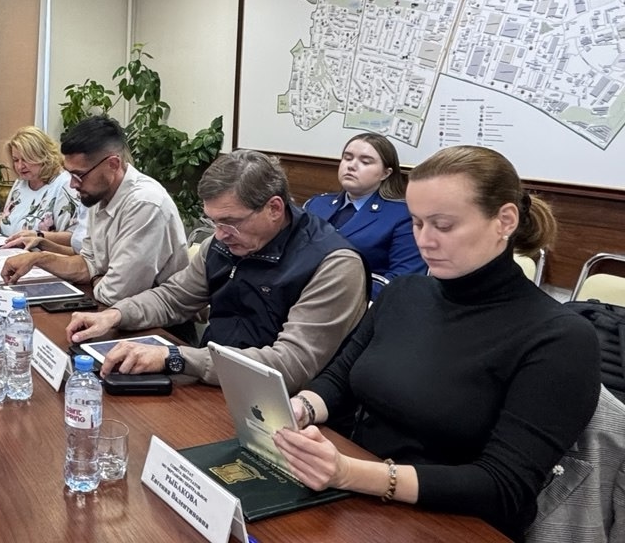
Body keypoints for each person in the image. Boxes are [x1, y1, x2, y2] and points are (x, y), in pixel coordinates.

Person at [273, 146, 601, 540]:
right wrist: (300, 408)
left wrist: (350, 473)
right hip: (356, 495)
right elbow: (340, 379)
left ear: (505, 221)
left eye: (443, 226)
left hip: (453, 523)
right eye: (416, 223)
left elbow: (504, 486)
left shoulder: (559, 338)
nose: (424, 241)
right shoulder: (404, 293)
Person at [65, 149, 368, 392]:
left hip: (287, 408)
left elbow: (289, 365)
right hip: (215, 381)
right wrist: (115, 315)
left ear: (274, 208)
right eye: (213, 221)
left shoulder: (333, 265)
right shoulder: (223, 244)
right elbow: (174, 297)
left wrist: (178, 357)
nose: (220, 234)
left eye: (230, 222)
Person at [1, 116, 186, 304]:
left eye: (79, 175)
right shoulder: (98, 194)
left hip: (158, 319)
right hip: (115, 309)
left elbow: (116, 293)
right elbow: (87, 263)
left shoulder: (145, 204)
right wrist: (37, 260)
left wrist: (96, 276)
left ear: (112, 165)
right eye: (70, 174)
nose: (72, 184)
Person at [303, 133, 425, 282]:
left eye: (365, 162)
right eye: (347, 158)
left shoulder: (402, 215)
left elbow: (403, 279)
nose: (351, 166)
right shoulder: (316, 204)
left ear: (385, 173)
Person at [0, 126, 81, 236]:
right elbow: (13, 224)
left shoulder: (65, 184)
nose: (20, 166)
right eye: (16, 160)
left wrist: (38, 237)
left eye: (26, 159)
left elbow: (73, 238)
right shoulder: (21, 183)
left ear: (43, 156)